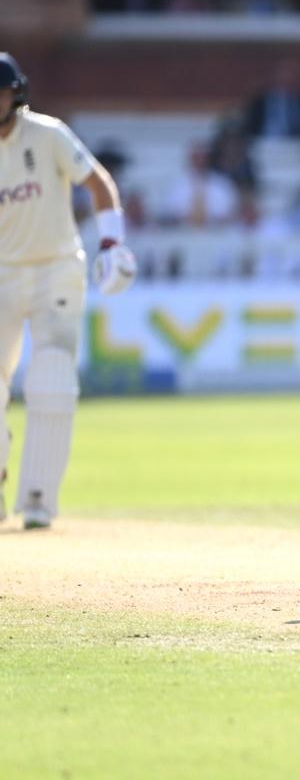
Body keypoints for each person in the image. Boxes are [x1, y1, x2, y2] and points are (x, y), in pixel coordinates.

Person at [0, 52, 137, 528]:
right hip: (1, 273)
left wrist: (112, 241)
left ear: (15, 93)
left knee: (52, 380)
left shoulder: (48, 133)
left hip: (56, 269)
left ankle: (38, 498)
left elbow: (97, 182)